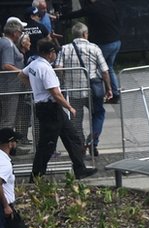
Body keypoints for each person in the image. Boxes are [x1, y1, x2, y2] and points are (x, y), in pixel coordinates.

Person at [20, 39, 95, 180]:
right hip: (50, 109)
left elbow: (22, 75)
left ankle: (80, 169)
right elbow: (56, 93)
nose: (56, 55)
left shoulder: (34, 64)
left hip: (49, 108)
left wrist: (35, 87)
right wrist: (70, 107)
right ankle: (36, 177)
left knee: (72, 137)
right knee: (46, 145)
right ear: (50, 53)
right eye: (55, 52)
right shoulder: (46, 69)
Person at [0, 127, 47, 228]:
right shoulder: (4, 162)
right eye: (15, 142)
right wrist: (6, 206)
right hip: (6, 210)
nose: (16, 145)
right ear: (9, 143)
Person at [56, 22, 112, 157]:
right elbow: (105, 71)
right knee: (98, 114)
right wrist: (109, 88)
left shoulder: (64, 49)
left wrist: (63, 81)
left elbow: (58, 68)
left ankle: (81, 146)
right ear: (85, 34)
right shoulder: (94, 48)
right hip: (93, 90)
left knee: (76, 120)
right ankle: (93, 142)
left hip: (73, 91)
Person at [62, 0, 122, 102]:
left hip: (105, 43)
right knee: (109, 67)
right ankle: (115, 93)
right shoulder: (110, 3)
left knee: (101, 68)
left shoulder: (92, 8)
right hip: (116, 41)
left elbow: (78, 13)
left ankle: (100, 93)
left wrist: (60, 17)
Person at [1, 18, 26, 134]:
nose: (21, 35)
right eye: (20, 32)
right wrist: (22, 73)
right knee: (9, 119)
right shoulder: (8, 45)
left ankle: (10, 145)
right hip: (9, 87)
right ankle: (6, 148)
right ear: (15, 33)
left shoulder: (4, 42)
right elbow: (6, 65)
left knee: (7, 118)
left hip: (8, 87)